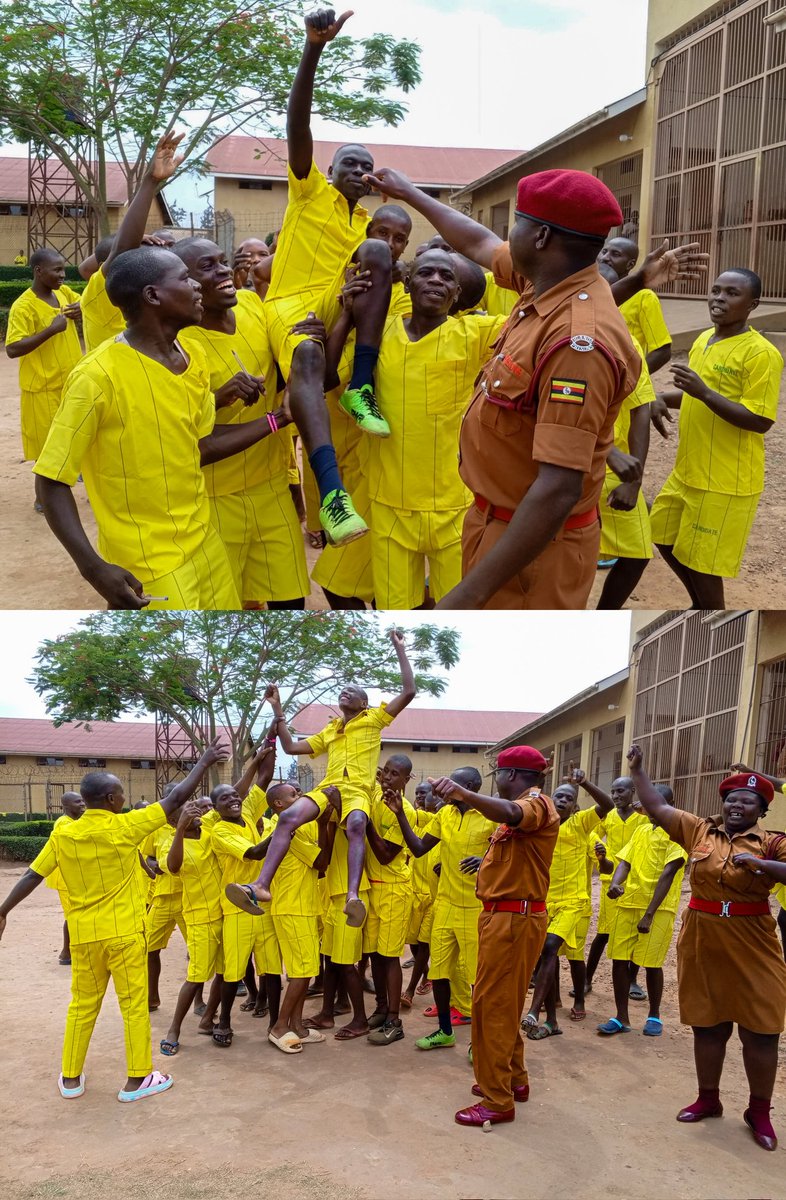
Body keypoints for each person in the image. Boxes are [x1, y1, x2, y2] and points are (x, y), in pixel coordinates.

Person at [361, 164, 705, 608]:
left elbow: (558, 488)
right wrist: (411, 193)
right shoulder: (547, 284)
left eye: (518, 222)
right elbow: (478, 242)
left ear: (541, 237)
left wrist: (465, 596)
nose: (508, 236)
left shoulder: (579, 345)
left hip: (532, 553)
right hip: (496, 527)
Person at [32, 240, 302, 610]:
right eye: (185, 278)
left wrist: (280, 417)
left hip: (206, 544)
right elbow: (50, 479)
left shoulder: (191, 359)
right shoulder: (96, 377)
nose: (196, 286)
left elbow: (200, 443)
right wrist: (93, 568)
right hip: (150, 561)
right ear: (153, 296)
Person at [0, 740, 225, 1101]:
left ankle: (71, 1078)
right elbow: (175, 798)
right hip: (123, 935)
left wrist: (3, 910)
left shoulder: (63, 834)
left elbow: (31, 875)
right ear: (109, 799)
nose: (123, 799)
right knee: (133, 1006)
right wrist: (204, 760)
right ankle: (138, 1079)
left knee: (82, 1005)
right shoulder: (126, 827)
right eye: (119, 794)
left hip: (85, 937)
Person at [263, 8, 394, 545]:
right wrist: (313, 50)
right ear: (329, 170)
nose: (359, 173)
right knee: (310, 358)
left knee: (380, 254)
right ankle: (333, 497)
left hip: (333, 300)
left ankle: (359, 385)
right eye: (350, 165)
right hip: (290, 304)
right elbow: (299, 126)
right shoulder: (309, 190)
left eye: (367, 168)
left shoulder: (365, 222)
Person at [628, 747, 786, 1152]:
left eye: (748, 800)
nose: (737, 804)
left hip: (754, 941)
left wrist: (766, 867)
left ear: (762, 810)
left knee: (762, 1031)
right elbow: (657, 806)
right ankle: (708, 1098)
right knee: (708, 1024)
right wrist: (639, 770)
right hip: (702, 937)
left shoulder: (773, 843)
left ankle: (759, 1111)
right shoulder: (699, 831)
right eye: (732, 799)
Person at [331, 248, 505, 608]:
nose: (436, 281)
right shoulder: (379, 331)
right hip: (389, 504)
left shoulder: (475, 333)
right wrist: (347, 315)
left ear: (457, 295)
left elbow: (546, 321)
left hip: (454, 504)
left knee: (457, 607)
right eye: (427, 273)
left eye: (446, 277)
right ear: (407, 283)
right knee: (395, 608)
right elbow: (326, 376)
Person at [226, 629, 416, 927]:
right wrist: (277, 709)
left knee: (356, 824)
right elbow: (291, 747)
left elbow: (408, 692)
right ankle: (261, 886)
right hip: (328, 788)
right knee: (288, 817)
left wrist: (400, 649)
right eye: (343, 690)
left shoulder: (374, 720)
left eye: (353, 691)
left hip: (357, 791)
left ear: (364, 704)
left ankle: (353, 897)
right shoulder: (331, 729)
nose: (345, 691)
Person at [174, 237, 310, 609]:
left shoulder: (253, 305)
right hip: (216, 499)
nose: (223, 271)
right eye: (207, 266)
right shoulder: (181, 345)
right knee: (227, 610)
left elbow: (289, 360)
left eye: (222, 261)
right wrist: (223, 400)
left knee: (289, 600)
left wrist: (305, 347)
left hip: (270, 488)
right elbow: (193, 441)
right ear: (182, 283)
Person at [430, 746, 559, 1127]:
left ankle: (497, 1100)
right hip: (505, 919)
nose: (495, 782)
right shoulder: (518, 811)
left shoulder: (533, 803)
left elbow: (515, 813)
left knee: (491, 1008)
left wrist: (464, 794)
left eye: (497, 775)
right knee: (503, 1003)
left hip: (513, 921)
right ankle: (513, 1080)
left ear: (513, 775)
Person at [649, 269, 783, 608]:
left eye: (732, 293)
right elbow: (695, 395)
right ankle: (700, 603)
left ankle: (710, 609)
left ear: (752, 304)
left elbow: (760, 420)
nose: (719, 298)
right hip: (687, 470)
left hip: (725, 479)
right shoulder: (703, 340)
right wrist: (662, 398)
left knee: (703, 562)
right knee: (661, 534)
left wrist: (704, 393)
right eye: (716, 290)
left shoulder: (761, 354)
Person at [307, 203, 415, 609]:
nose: (388, 244)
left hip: (385, 469)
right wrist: (347, 317)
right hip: (343, 465)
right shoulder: (338, 286)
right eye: (382, 233)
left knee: (366, 585)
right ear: (367, 232)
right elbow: (324, 379)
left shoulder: (406, 301)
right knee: (349, 582)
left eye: (399, 238)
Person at [385, 766, 497, 1053]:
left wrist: (485, 858)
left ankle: (479, 1043)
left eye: (453, 784)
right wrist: (399, 814)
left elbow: (511, 851)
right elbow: (420, 847)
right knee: (440, 974)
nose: (444, 790)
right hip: (445, 905)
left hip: (475, 907)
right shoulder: (444, 815)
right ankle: (445, 1031)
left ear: (470, 786)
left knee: (477, 980)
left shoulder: (490, 815)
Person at [524, 772, 613, 1038]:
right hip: (544, 900)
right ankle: (552, 1020)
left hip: (574, 902)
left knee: (551, 947)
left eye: (569, 798)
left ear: (575, 805)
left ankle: (533, 1010)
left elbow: (606, 805)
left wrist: (583, 783)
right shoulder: (542, 825)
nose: (563, 800)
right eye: (559, 796)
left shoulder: (581, 825)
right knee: (546, 955)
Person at [208, 747, 279, 1048]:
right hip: (237, 907)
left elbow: (263, 779)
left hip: (263, 902)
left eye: (235, 796)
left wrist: (268, 749)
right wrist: (285, 828)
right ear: (215, 807)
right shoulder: (219, 831)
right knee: (234, 970)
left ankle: (278, 1022)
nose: (234, 800)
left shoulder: (248, 815)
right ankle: (224, 1021)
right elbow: (252, 853)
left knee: (273, 967)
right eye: (226, 798)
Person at [598, 807, 686, 1037]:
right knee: (619, 959)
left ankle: (654, 1015)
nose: (649, 809)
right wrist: (616, 884)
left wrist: (649, 913)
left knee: (652, 963)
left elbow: (669, 872)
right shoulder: (641, 830)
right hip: (628, 904)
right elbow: (625, 862)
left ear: (669, 805)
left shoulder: (678, 834)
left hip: (658, 909)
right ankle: (621, 1017)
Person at [262, 780, 334, 1052]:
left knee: (304, 970)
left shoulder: (298, 829)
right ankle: (280, 1026)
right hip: (293, 909)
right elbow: (322, 862)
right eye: (294, 794)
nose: (301, 796)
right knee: (302, 972)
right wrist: (326, 824)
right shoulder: (290, 831)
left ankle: (297, 1025)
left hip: (302, 906)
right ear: (279, 805)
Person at [5, 247, 82, 495]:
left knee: (73, 436)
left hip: (70, 384)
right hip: (42, 390)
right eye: (57, 270)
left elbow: (81, 302)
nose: (63, 275)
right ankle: (44, 498)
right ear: (39, 271)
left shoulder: (63, 294)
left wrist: (81, 309)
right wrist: (50, 330)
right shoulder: (23, 306)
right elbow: (13, 348)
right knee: (46, 449)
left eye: (63, 269)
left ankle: (72, 474)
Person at [364, 755, 417, 1046]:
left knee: (389, 955)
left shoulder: (404, 810)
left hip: (394, 888)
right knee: (373, 952)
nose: (388, 778)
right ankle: (381, 1007)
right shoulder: (374, 794)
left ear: (406, 780)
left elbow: (385, 856)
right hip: (371, 887)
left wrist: (366, 823)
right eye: (386, 772)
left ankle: (395, 1021)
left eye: (395, 775)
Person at [584, 772, 648, 994]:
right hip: (610, 882)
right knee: (604, 933)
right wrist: (599, 853)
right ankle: (586, 979)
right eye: (612, 791)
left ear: (633, 792)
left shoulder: (643, 817)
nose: (615, 795)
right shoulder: (608, 816)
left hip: (638, 882)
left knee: (636, 932)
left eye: (620, 791)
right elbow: (589, 834)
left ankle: (632, 980)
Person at [598, 238, 672, 375]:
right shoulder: (592, 291)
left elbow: (662, 351)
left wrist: (631, 378)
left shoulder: (644, 297)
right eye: (604, 251)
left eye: (615, 254)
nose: (605, 258)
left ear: (630, 265)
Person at [45, 791, 86, 965]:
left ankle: (68, 952)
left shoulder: (73, 821)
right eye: (78, 802)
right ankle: (67, 953)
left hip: (71, 878)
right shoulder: (63, 823)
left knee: (74, 915)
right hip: (65, 879)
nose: (83, 804)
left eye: (83, 801)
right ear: (66, 806)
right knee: (73, 916)